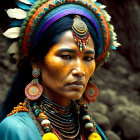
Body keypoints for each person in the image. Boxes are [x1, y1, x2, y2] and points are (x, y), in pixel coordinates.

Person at [0, 0, 120, 139]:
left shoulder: (92, 131)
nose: (80, 70)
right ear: (37, 62)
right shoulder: (16, 130)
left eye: (87, 58)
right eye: (66, 56)